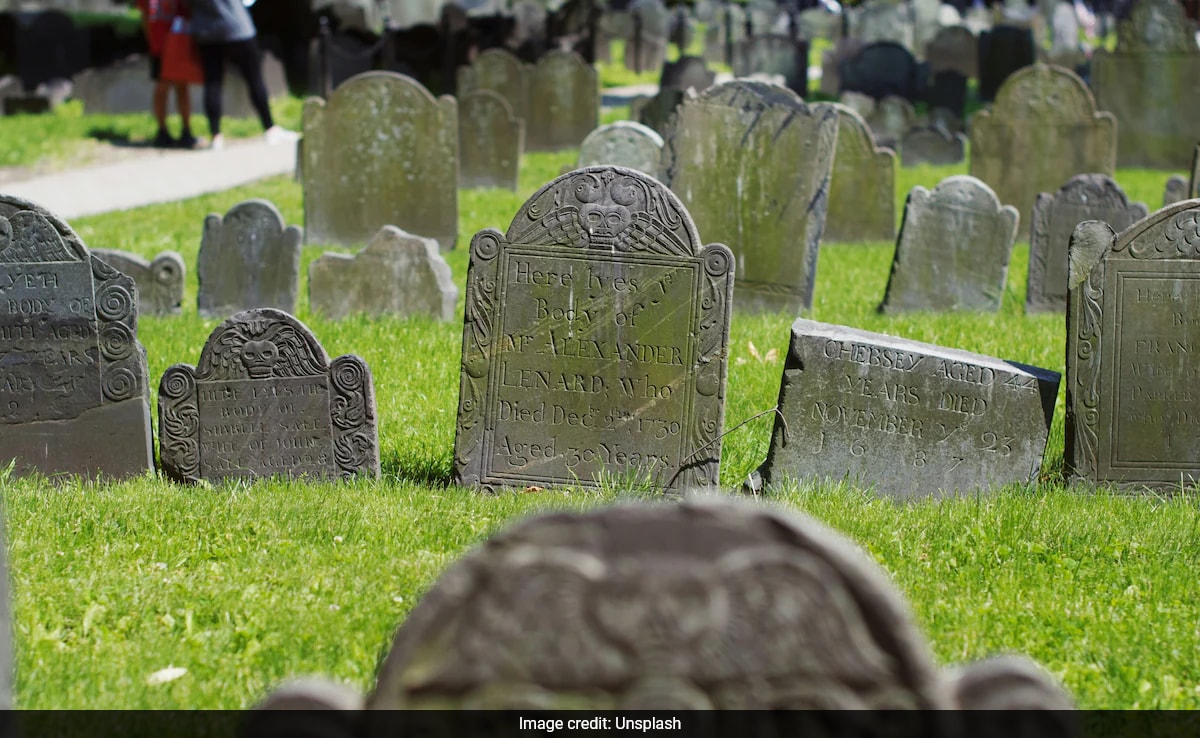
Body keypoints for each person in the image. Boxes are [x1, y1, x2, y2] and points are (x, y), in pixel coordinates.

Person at [186, 0, 296, 150]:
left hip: (207, 30)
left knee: (213, 82)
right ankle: (270, 128)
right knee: (254, 78)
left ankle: (216, 135)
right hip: (236, 27)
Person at [136, 0, 198, 148]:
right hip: (159, 44)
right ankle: (162, 131)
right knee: (163, 86)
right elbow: (144, 15)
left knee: (182, 85)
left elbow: (190, 12)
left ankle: (186, 130)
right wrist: (151, 40)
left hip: (179, 40)